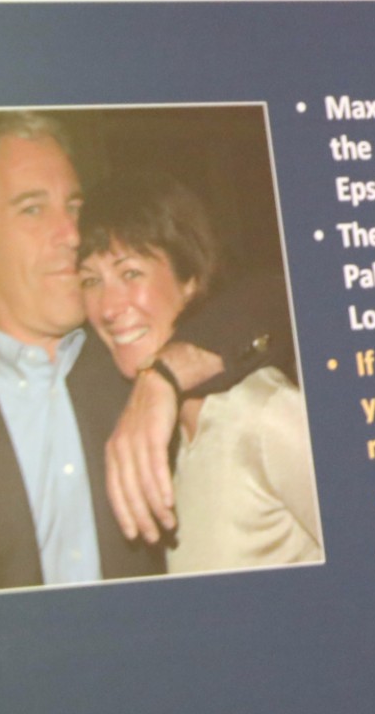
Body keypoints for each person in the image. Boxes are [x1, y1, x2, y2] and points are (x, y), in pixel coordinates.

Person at [0, 112, 283, 588]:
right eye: (33, 209)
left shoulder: (129, 349)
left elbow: (275, 296)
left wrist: (165, 374)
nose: (72, 234)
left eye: (74, 206)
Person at [77, 172, 321, 573]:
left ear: (189, 277)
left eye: (130, 273)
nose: (107, 307)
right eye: (91, 280)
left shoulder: (263, 414)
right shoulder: (155, 426)